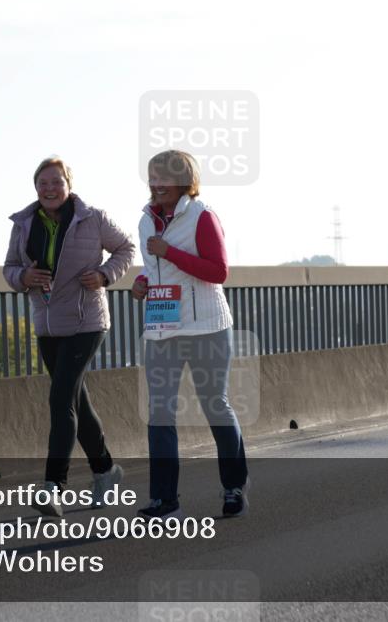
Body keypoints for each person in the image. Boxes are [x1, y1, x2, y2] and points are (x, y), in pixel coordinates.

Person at [4, 156, 135, 517]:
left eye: (56, 182)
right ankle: (106, 470)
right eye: (43, 182)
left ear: (68, 185)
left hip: (87, 321)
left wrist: (105, 275)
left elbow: (126, 248)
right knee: (78, 401)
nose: (49, 188)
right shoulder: (25, 223)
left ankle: (52, 486)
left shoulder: (92, 218)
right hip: (47, 323)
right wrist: (23, 278)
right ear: (36, 187)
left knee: (61, 398)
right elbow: (10, 267)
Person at [132, 149, 249, 519]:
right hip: (162, 328)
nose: (156, 183)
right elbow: (154, 270)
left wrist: (170, 252)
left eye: (164, 177)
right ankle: (165, 500)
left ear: (184, 180)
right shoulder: (145, 220)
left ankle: (234, 489)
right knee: (160, 412)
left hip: (206, 328)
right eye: (152, 176)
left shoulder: (201, 215)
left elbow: (218, 271)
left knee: (215, 405)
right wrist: (141, 283)